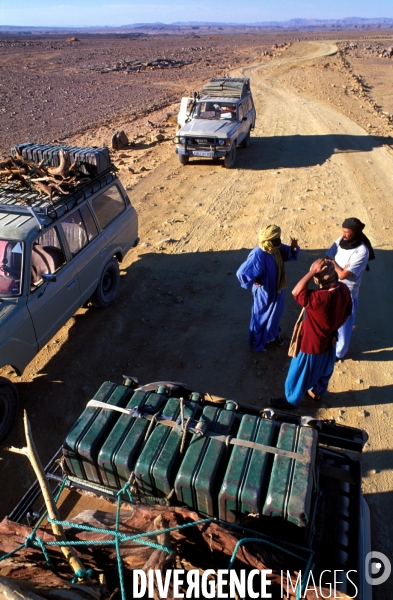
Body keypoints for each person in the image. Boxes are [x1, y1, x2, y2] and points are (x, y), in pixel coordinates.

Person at [270, 259, 352, 410]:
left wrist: (312, 271)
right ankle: (317, 393)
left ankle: (291, 401)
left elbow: (296, 292)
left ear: (318, 279)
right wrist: (334, 328)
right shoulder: (344, 289)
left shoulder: (319, 297)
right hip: (330, 340)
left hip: (312, 344)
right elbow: (348, 313)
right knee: (324, 370)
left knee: (297, 374)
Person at [236, 224, 300, 352]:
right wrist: (254, 280)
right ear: (268, 240)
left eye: (279, 238)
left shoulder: (276, 248)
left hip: (278, 290)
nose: (280, 241)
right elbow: (241, 273)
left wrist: (293, 248)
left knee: (275, 315)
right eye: (276, 239)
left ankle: (273, 334)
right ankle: (260, 341)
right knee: (261, 317)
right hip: (264, 294)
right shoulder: (258, 254)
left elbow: (287, 253)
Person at [326, 217, 375, 359]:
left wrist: (334, 264)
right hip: (332, 287)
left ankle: (338, 354)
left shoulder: (361, 251)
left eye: (346, 232)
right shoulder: (340, 241)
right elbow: (328, 256)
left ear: (355, 233)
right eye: (342, 231)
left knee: (344, 326)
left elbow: (342, 275)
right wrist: (338, 266)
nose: (343, 234)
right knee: (329, 319)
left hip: (347, 293)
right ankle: (328, 347)